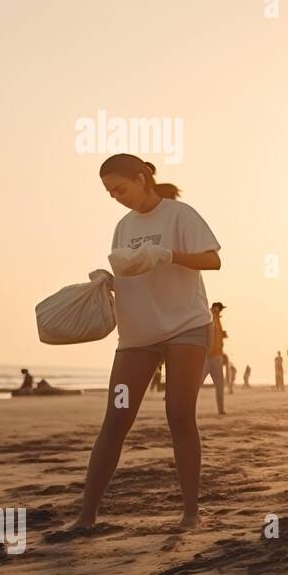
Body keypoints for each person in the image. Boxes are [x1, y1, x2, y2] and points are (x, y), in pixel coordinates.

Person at [63, 153, 220, 533]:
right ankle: (86, 516)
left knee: (179, 415)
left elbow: (212, 261)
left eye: (120, 188)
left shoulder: (180, 215)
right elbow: (132, 271)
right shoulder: (123, 225)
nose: (116, 196)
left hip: (185, 327)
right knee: (116, 419)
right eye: (109, 192)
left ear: (141, 177)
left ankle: (190, 513)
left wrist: (167, 255)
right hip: (137, 336)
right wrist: (108, 280)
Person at [203, 302, 228, 415]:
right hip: (207, 356)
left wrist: (222, 335)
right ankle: (185, 406)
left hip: (217, 356)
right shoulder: (207, 317)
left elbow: (216, 336)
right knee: (197, 382)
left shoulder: (218, 320)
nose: (220, 311)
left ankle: (221, 409)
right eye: (219, 309)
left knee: (220, 384)